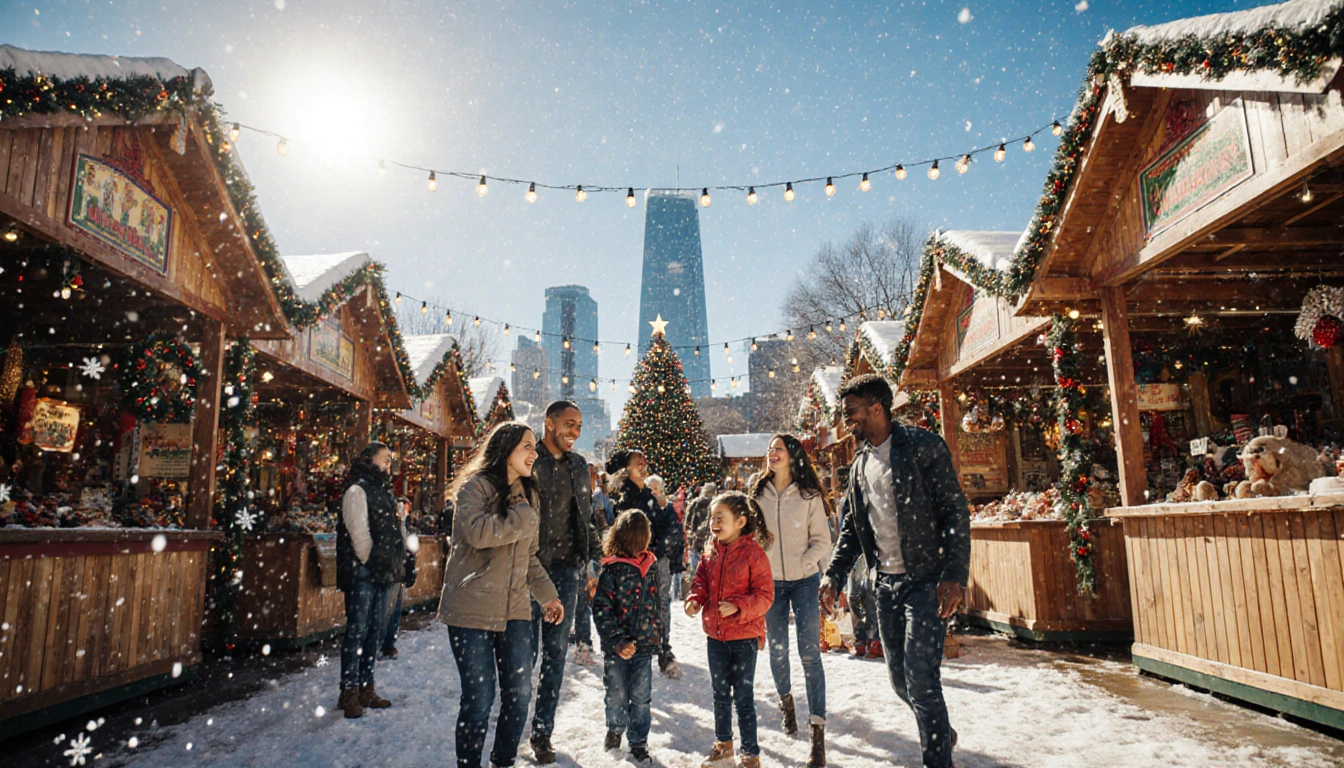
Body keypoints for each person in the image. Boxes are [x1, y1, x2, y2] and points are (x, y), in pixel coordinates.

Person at [819, 374, 971, 768]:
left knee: (921, 679)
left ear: (876, 408)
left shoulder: (922, 446)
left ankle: (937, 757)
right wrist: (834, 574)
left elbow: (954, 511)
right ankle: (937, 725)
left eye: (850, 412)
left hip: (926, 581)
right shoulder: (859, 465)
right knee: (900, 682)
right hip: (884, 586)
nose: (845, 419)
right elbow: (853, 527)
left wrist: (954, 574)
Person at [440, 422, 564, 768]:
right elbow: (479, 534)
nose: (534, 453)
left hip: (515, 611)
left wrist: (548, 597)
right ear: (506, 448)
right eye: (527, 446)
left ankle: (503, 760)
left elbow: (530, 557)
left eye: (534, 447)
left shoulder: (530, 495)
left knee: (520, 695)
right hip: (470, 610)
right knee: (479, 698)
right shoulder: (474, 488)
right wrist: (521, 516)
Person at [750, 433, 833, 766]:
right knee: (778, 651)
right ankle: (787, 704)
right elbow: (749, 536)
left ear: (792, 455)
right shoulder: (757, 493)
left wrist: (806, 564)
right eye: (770, 450)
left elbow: (822, 541)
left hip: (804, 583)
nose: (772, 454)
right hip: (770, 584)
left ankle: (817, 734)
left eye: (779, 449)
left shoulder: (809, 494)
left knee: (810, 654)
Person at [528, 400, 602, 765]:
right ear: (549, 423)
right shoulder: (529, 460)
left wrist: (590, 562)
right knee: (521, 657)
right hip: (528, 571)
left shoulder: (577, 466)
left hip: (565, 572)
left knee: (555, 657)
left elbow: (584, 518)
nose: (575, 431)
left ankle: (542, 733)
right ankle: (512, 726)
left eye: (580, 425)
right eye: (569, 424)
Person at [686, 491, 775, 768]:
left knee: (743, 698)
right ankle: (723, 746)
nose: (714, 522)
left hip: (744, 637)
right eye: (712, 517)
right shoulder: (710, 550)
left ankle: (750, 755)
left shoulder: (753, 554)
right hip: (716, 636)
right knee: (720, 695)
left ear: (740, 521)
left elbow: (765, 595)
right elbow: (701, 578)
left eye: (720, 517)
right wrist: (695, 598)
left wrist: (738, 606)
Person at [334, 442, 405, 719]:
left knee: (374, 630)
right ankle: (348, 691)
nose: (389, 462)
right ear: (369, 460)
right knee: (357, 630)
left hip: (380, 572)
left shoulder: (383, 491)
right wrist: (372, 562)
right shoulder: (357, 491)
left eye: (390, 459)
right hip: (362, 572)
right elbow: (359, 534)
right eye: (384, 458)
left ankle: (366, 688)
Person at [591, 509, 662, 766]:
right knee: (617, 692)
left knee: (641, 696)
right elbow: (601, 609)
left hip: (643, 646)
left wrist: (660, 641)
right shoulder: (612, 571)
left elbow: (656, 605)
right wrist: (616, 639)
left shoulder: (650, 567)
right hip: (616, 648)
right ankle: (615, 729)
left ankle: (638, 742)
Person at [608, 450, 681, 678]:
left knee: (661, 604)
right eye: (637, 462)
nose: (643, 464)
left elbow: (660, 526)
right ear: (626, 469)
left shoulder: (650, 496)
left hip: (656, 560)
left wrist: (666, 550)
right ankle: (634, 650)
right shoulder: (623, 498)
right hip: (633, 563)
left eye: (644, 461)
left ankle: (663, 649)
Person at [645, 474, 685, 671]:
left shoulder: (668, 510)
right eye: (650, 488)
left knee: (662, 601)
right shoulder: (644, 506)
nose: (654, 492)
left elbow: (675, 536)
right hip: (644, 561)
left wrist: (668, 555)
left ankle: (663, 642)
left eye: (657, 488)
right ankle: (648, 640)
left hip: (661, 561)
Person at [380, 497, 414, 660]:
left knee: (394, 609)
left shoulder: (402, 525)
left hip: (396, 570)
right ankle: (383, 644)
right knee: (388, 609)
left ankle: (388, 643)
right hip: (392, 570)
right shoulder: (395, 524)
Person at [683, 483, 716, 579]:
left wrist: (692, 534)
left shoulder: (694, 504)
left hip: (695, 542)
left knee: (695, 573)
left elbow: (687, 522)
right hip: (709, 543)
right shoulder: (716, 504)